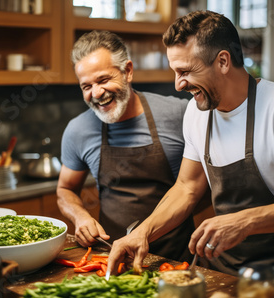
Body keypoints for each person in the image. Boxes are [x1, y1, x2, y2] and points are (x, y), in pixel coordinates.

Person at [107, 11, 274, 293]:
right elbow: (187, 188)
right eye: (175, 72)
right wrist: (144, 232)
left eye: (185, 71)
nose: (178, 84)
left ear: (222, 61)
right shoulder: (197, 111)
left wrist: (246, 221)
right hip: (222, 276)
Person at [56, 30, 194, 262]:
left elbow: (199, 185)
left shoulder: (179, 114)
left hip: (175, 260)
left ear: (127, 71)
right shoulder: (78, 130)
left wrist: (173, 218)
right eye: (86, 86)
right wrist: (80, 216)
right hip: (112, 257)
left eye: (103, 80)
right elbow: (65, 189)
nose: (97, 93)